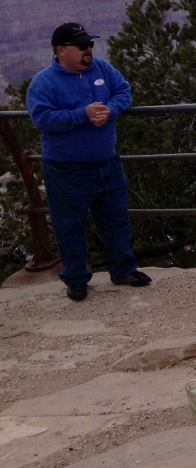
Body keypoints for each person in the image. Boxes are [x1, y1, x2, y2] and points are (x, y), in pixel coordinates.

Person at [26, 22, 151, 301]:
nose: (89, 50)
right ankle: (76, 279)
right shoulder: (44, 83)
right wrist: (82, 114)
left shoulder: (103, 70)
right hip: (66, 170)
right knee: (69, 227)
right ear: (60, 50)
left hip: (108, 163)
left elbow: (123, 92)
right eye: (82, 45)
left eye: (90, 44)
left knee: (116, 220)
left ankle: (123, 270)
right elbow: (43, 119)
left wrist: (110, 110)